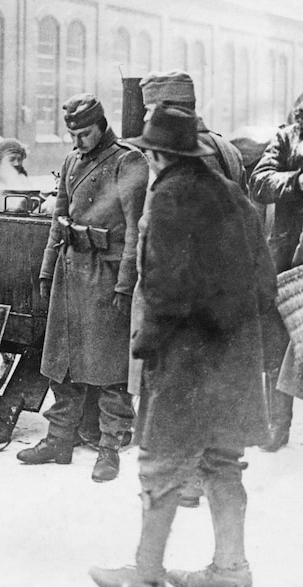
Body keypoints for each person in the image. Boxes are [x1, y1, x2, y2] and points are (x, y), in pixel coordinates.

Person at [89, 103, 275, 587]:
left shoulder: (169, 198)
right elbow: (265, 287)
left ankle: (145, 574)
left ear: (155, 154)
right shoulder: (232, 194)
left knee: (161, 466)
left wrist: (146, 346)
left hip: (186, 363)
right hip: (235, 360)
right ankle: (232, 570)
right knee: (222, 463)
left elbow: (165, 292)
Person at [16, 93, 147, 483]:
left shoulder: (128, 160)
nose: (77, 142)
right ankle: (58, 440)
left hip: (105, 275)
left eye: (85, 133)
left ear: (102, 125)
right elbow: (58, 220)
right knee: (62, 362)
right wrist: (46, 270)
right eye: (72, 134)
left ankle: (109, 448)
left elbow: (137, 231)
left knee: (110, 370)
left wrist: (125, 286)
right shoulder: (72, 161)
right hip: (69, 273)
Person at [248, 102, 303, 451]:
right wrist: (297, 181)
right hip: (287, 257)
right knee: (279, 340)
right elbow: (258, 181)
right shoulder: (287, 138)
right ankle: (277, 423)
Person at [139, 69, 247, 192]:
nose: (145, 117)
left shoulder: (182, 151)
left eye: (150, 110)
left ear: (171, 111)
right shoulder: (228, 148)